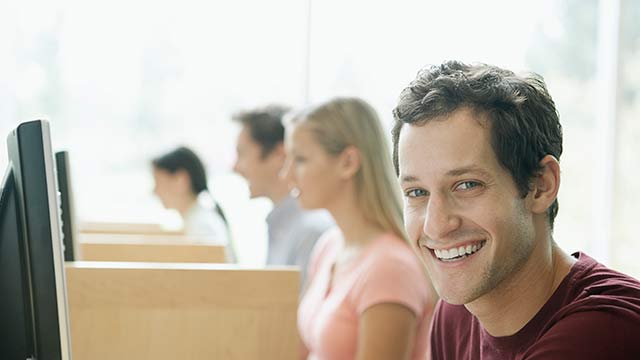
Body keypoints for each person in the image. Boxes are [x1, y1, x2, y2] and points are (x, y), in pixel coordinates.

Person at [392, 60, 640, 359]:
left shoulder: (601, 332)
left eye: (467, 185)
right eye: (417, 192)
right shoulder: (456, 316)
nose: (435, 225)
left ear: (540, 185)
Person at [283, 97, 437, 360]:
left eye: (300, 159)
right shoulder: (329, 245)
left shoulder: (390, 268)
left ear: (348, 162)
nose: (286, 175)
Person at [232, 105, 333, 284]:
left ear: (279, 154)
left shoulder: (310, 232)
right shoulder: (280, 224)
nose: (235, 167)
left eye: (242, 154)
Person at [152, 146, 235, 261]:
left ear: (181, 180)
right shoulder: (197, 219)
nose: (155, 191)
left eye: (158, 182)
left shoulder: (203, 227)